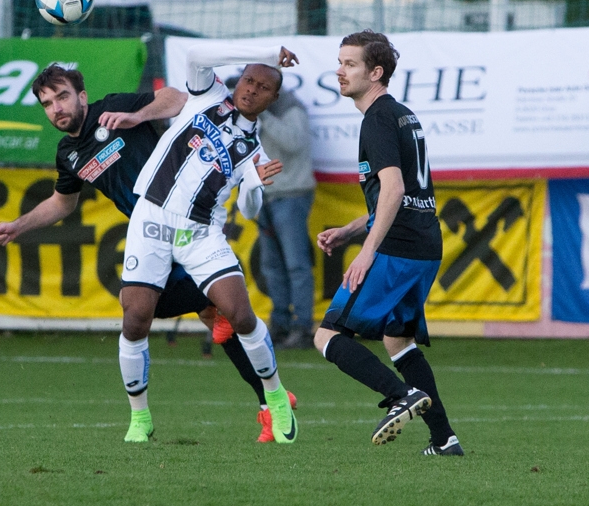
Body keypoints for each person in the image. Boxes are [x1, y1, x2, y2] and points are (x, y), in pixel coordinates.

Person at [0, 64, 295, 443]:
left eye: (62, 96)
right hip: (148, 231)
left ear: (81, 96)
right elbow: (62, 203)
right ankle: (267, 398)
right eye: (47, 104)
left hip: (188, 221)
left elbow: (176, 99)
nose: (56, 108)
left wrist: (138, 115)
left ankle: (270, 403)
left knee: (219, 314)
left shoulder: (112, 108)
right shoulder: (68, 153)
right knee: (168, 313)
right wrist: (19, 226)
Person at [117, 43, 300, 444]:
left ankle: (274, 396)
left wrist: (255, 184)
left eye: (263, 86)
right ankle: (140, 417)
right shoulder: (210, 94)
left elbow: (250, 211)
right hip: (152, 218)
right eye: (249, 79)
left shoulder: (255, 150)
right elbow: (198, 54)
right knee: (135, 319)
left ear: (273, 99)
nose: (251, 89)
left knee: (239, 313)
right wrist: (268, 52)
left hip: (201, 233)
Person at [313, 30, 463, 456]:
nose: (339, 72)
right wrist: (350, 230)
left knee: (326, 336)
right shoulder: (401, 114)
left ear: (376, 73)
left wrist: (365, 251)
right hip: (424, 246)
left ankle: (401, 397)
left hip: (396, 248)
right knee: (399, 341)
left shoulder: (376, 119)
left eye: (350, 64)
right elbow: (403, 196)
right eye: (339, 62)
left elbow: (394, 190)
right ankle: (444, 439)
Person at [252, 87, 316, 349]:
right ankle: (280, 324)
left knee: (296, 265)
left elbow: (293, 142)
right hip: (266, 195)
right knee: (272, 266)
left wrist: (263, 115)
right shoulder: (254, 115)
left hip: (292, 194)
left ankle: (302, 327)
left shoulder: (291, 108)